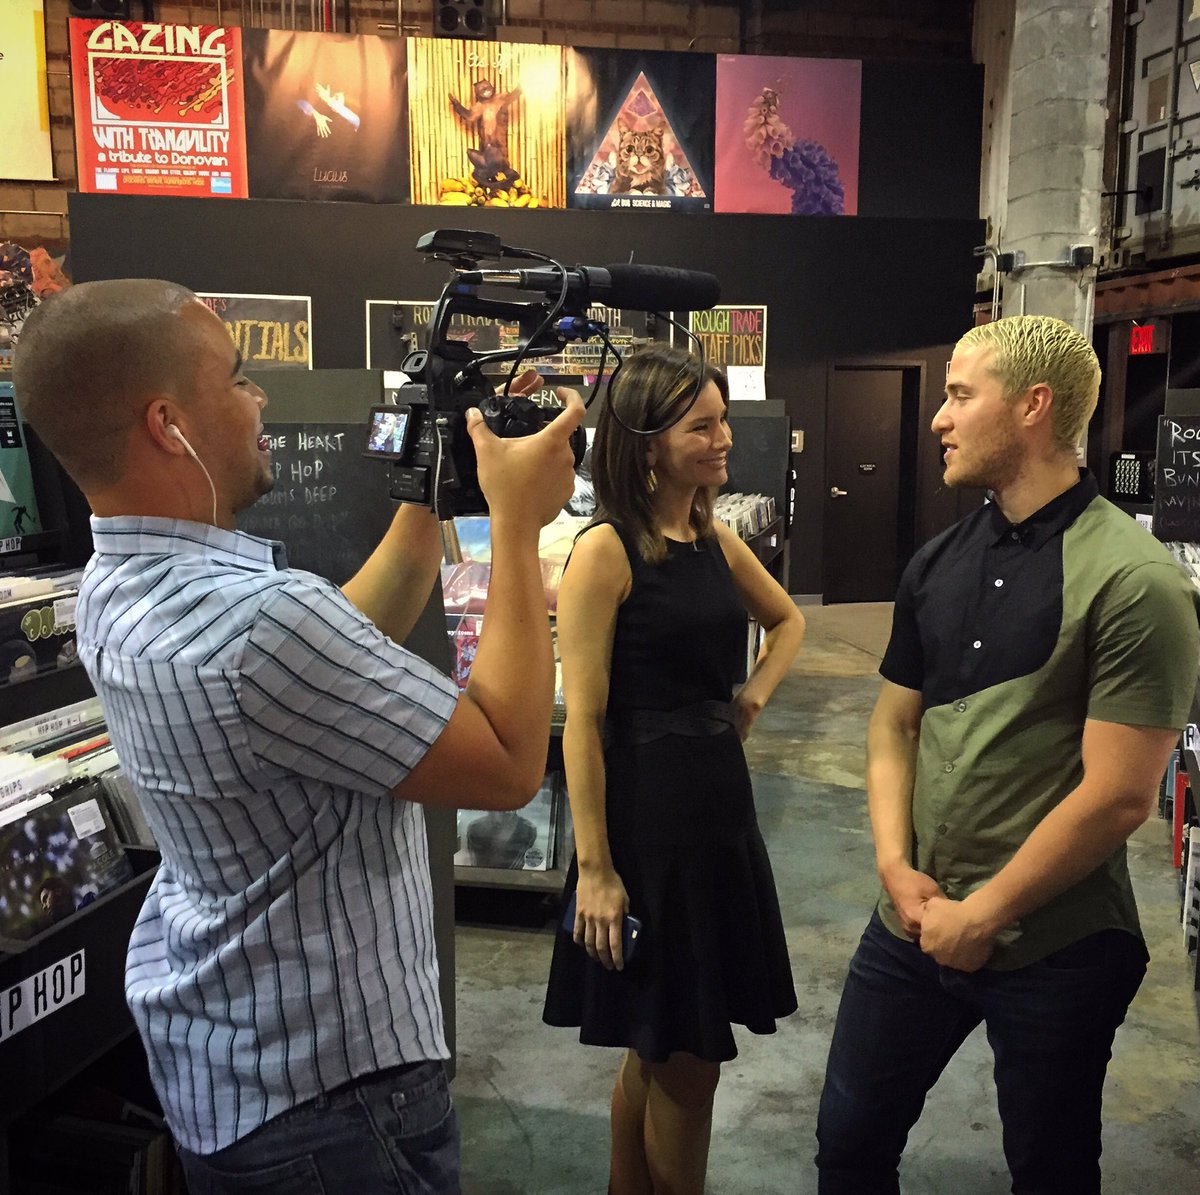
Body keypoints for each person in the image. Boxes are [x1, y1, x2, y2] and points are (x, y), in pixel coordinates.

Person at [12, 278, 585, 1194]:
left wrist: (430, 496)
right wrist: (515, 523)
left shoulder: (112, 589)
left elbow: (332, 651)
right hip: (337, 1098)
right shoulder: (264, 626)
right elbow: (511, 761)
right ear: (170, 424)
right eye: (238, 380)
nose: (260, 398)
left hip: (226, 1064)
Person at [814, 315, 1200, 1194]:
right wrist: (894, 865)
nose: (940, 419)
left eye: (958, 395)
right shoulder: (937, 562)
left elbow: (1119, 797)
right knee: (849, 1143)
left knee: (1051, 1167)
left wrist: (984, 913)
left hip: (1056, 946)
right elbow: (894, 725)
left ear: (1033, 406)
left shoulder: (1136, 581)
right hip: (911, 921)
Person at [542, 343, 805, 1194]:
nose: (725, 437)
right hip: (647, 831)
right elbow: (581, 724)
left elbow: (788, 621)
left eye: (724, 419)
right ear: (649, 443)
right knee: (687, 1068)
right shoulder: (605, 552)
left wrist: (752, 697)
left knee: (657, 1048)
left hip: (718, 821)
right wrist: (595, 870)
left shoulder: (715, 540)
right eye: (704, 424)